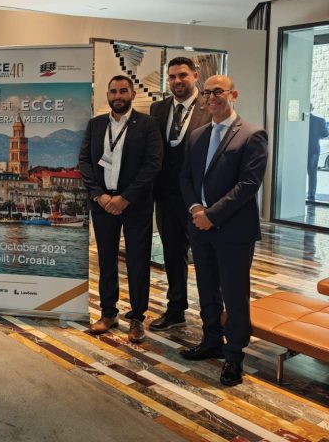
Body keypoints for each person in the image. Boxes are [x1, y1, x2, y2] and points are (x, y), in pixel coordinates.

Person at [179, 75, 268, 387]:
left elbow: (248, 185)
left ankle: (234, 355)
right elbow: (186, 178)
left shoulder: (252, 134)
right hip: (200, 227)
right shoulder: (197, 135)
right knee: (207, 289)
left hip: (233, 230)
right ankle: (211, 341)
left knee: (234, 294)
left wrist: (212, 215)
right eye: (207, 92)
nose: (211, 97)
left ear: (233, 94)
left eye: (218, 91)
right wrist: (196, 209)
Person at [78, 75, 162, 343]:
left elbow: (153, 164)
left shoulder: (148, 124)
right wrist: (99, 195)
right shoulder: (95, 124)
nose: (118, 96)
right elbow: (84, 161)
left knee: (138, 261)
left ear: (132, 94)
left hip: (135, 205)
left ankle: (137, 318)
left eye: (123, 91)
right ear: (107, 95)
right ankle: (108, 313)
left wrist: (125, 198)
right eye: (113, 91)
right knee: (106, 260)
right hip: (103, 204)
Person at [149, 57, 211, 331]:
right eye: (172, 76)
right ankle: (176, 310)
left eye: (183, 75)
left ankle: (212, 317)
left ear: (195, 76)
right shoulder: (158, 108)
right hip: (165, 196)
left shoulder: (210, 106)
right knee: (173, 255)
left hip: (199, 198)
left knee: (206, 256)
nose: (177, 81)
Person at [307, 106, 328, 202]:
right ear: (312, 108)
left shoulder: (299, 121)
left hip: (299, 150)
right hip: (313, 149)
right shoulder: (319, 120)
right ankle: (311, 195)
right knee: (312, 173)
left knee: (297, 172)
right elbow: (325, 134)